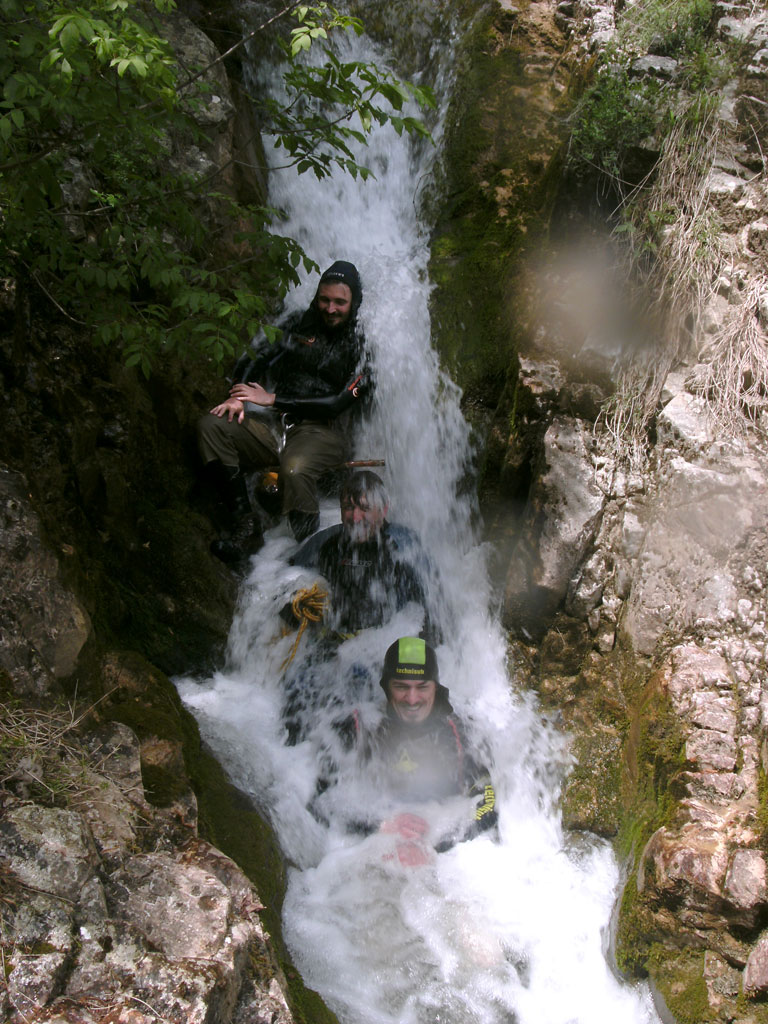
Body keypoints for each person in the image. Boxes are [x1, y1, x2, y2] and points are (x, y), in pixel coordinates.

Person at [197, 260, 369, 559]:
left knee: (294, 467)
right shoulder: (298, 323)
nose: (330, 308)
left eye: (339, 302)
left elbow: (337, 404)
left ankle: (308, 549)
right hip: (276, 425)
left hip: (324, 433)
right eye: (324, 300)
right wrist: (238, 394)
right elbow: (257, 356)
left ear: (354, 302)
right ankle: (246, 526)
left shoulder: (365, 343)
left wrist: (273, 399)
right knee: (212, 427)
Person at [312, 636, 497, 865]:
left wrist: (436, 841)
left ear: (436, 687)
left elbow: (489, 805)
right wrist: (381, 826)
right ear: (386, 688)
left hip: (447, 861)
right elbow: (322, 800)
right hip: (363, 852)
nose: (412, 699)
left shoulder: (462, 733)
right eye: (401, 687)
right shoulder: (356, 727)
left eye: (422, 687)